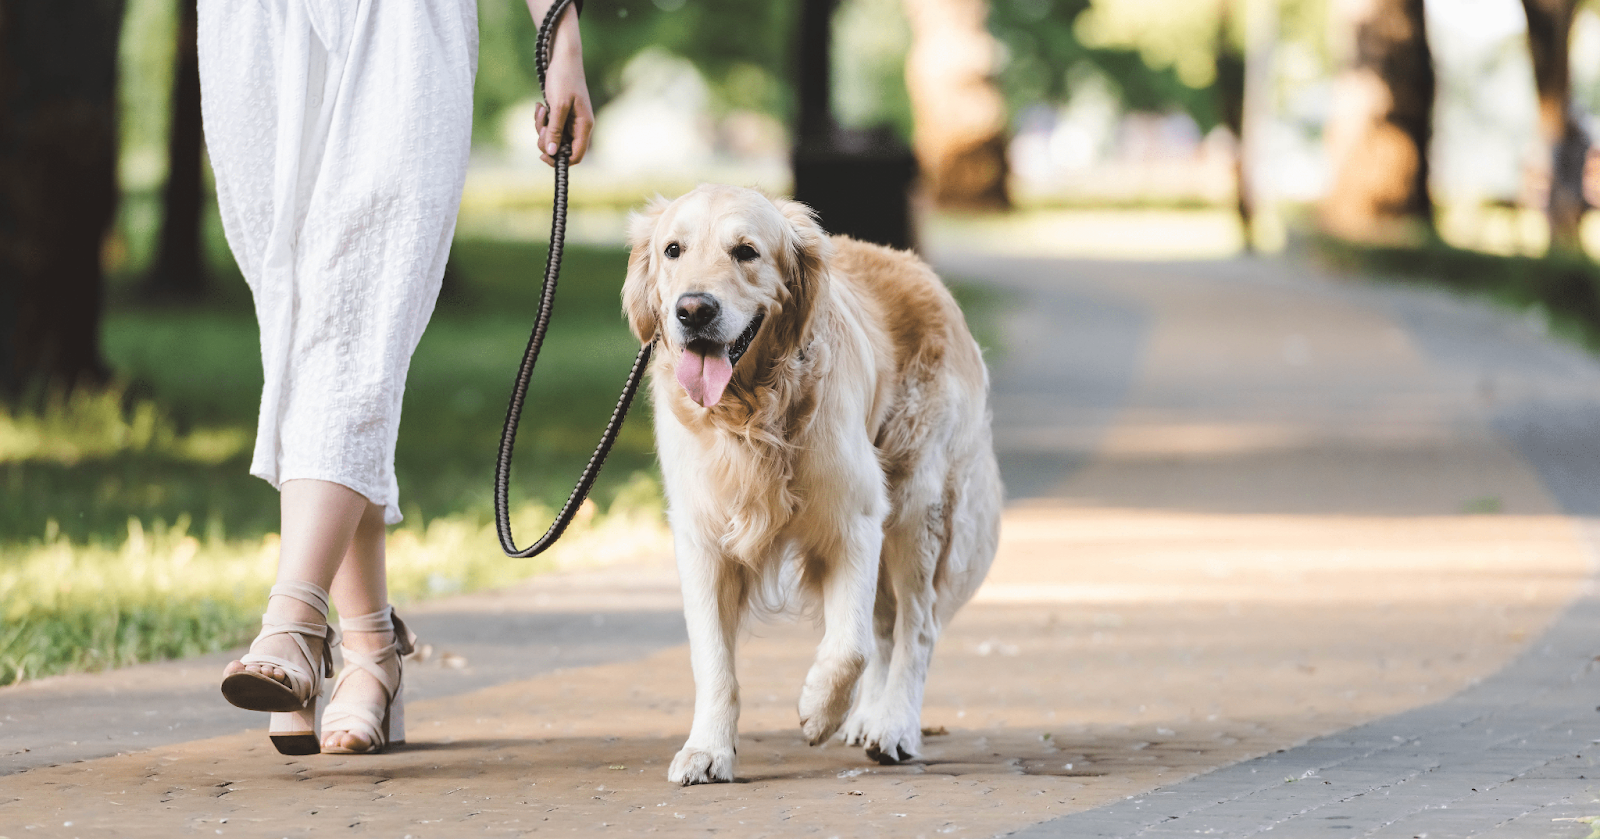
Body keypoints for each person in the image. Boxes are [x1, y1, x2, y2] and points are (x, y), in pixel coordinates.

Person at [197, 0, 593, 755]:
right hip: (251, 21)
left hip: (406, 22)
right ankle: (370, 650)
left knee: (356, 315)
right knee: (298, 324)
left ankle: (293, 619)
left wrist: (559, 36)